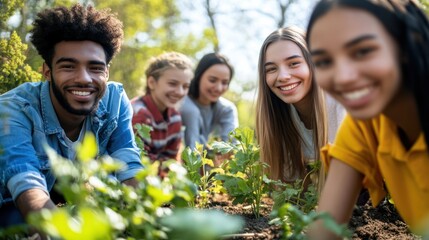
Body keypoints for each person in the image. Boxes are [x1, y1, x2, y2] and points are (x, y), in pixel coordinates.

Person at [0, 4, 143, 228]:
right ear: (47, 71)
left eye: (95, 68)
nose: (84, 78)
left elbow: (129, 164)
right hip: (12, 207)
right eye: (68, 66)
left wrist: (147, 218)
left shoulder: (114, 100)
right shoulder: (13, 109)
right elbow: (25, 182)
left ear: (106, 72)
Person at [305, 0, 429, 238]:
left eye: (363, 51)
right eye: (324, 62)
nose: (343, 77)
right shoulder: (364, 125)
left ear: (405, 43)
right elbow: (323, 232)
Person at [255, 26, 345, 187]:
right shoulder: (280, 115)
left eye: (294, 63)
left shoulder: (342, 102)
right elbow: (293, 191)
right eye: (271, 69)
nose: (282, 76)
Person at [131, 52, 193, 173]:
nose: (180, 92)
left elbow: (172, 158)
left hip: (158, 177)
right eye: (172, 84)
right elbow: (139, 160)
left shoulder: (175, 117)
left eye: (185, 86)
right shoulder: (138, 114)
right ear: (152, 83)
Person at [180, 53, 239, 150]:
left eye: (224, 83)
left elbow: (232, 146)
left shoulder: (226, 109)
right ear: (199, 77)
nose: (219, 88)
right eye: (212, 80)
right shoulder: (182, 103)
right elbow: (192, 152)